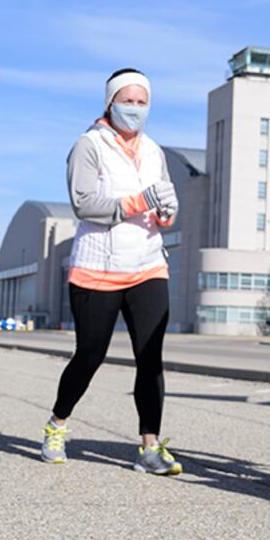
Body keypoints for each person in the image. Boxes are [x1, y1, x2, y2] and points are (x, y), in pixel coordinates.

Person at [40, 68, 181, 475]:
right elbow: (84, 204)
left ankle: (149, 448)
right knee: (89, 355)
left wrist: (167, 212)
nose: (135, 109)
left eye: (142, 102)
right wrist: (141, 200)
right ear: (110, 102)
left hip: (148, 265)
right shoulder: (89, 145)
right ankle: (57, 424)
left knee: (150, 357)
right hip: (97, 268)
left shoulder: (155, 151)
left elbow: (161, 202)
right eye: (128, 100)